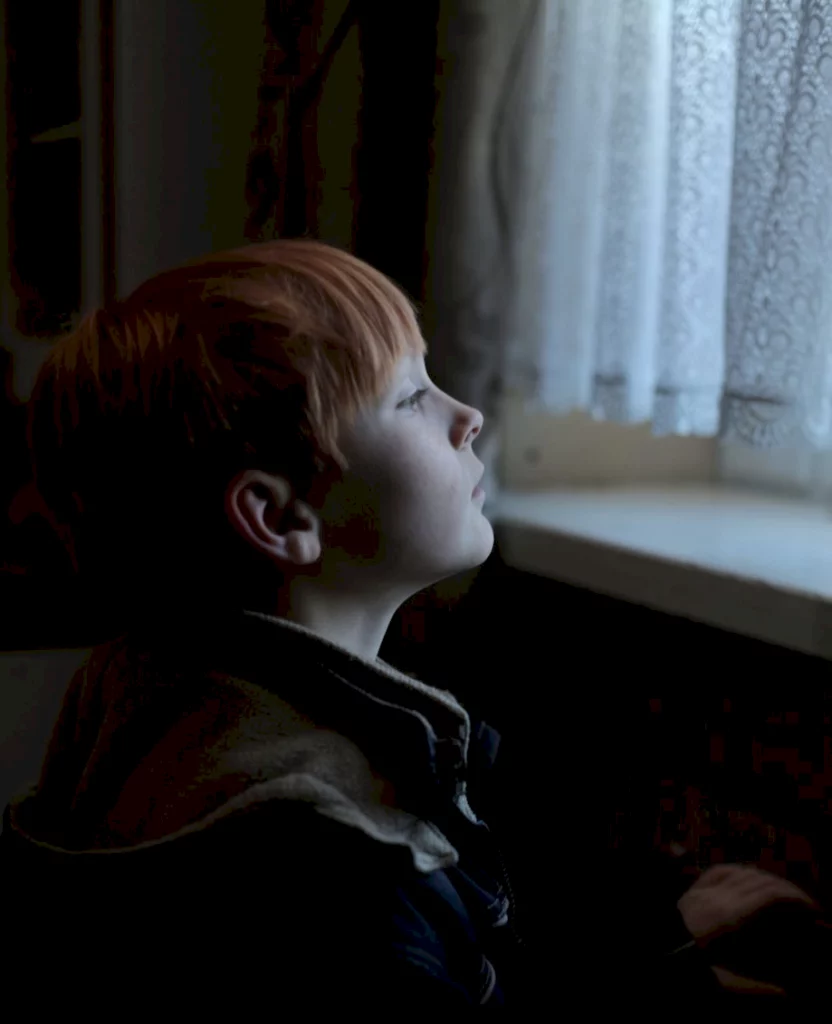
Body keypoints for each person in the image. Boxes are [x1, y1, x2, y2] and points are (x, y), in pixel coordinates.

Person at [0, 239, 812, 1013]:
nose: (469, 416)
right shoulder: (337, 865)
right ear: (280, 517)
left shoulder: (134, 686)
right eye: (412, 398)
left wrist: (656, 948)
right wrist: (668, 985)